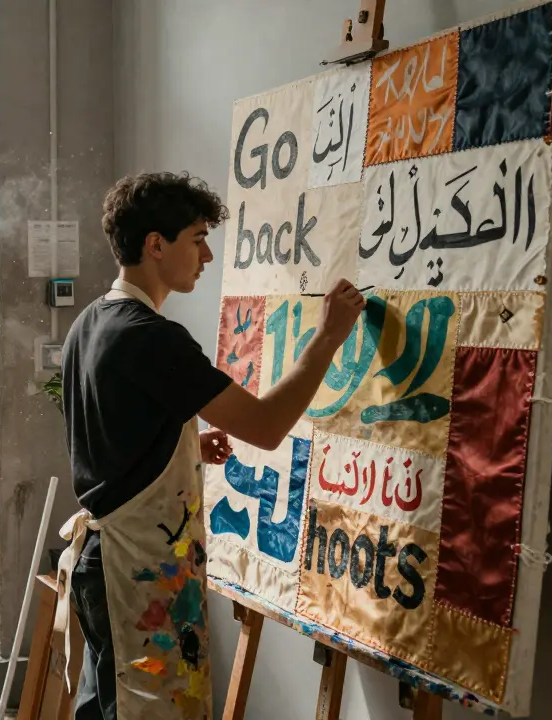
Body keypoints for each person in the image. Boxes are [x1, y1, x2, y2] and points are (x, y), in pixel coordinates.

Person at [58, 172, 365, 720]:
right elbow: (268, 425)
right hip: (134, 571)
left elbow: (110, 432)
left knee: (110, 704)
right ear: (156, 244)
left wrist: (181, 445)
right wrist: (328, 338)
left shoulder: (92, 320)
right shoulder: (151, 337)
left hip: (102, 562)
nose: (206, 254)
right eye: (197, 238)